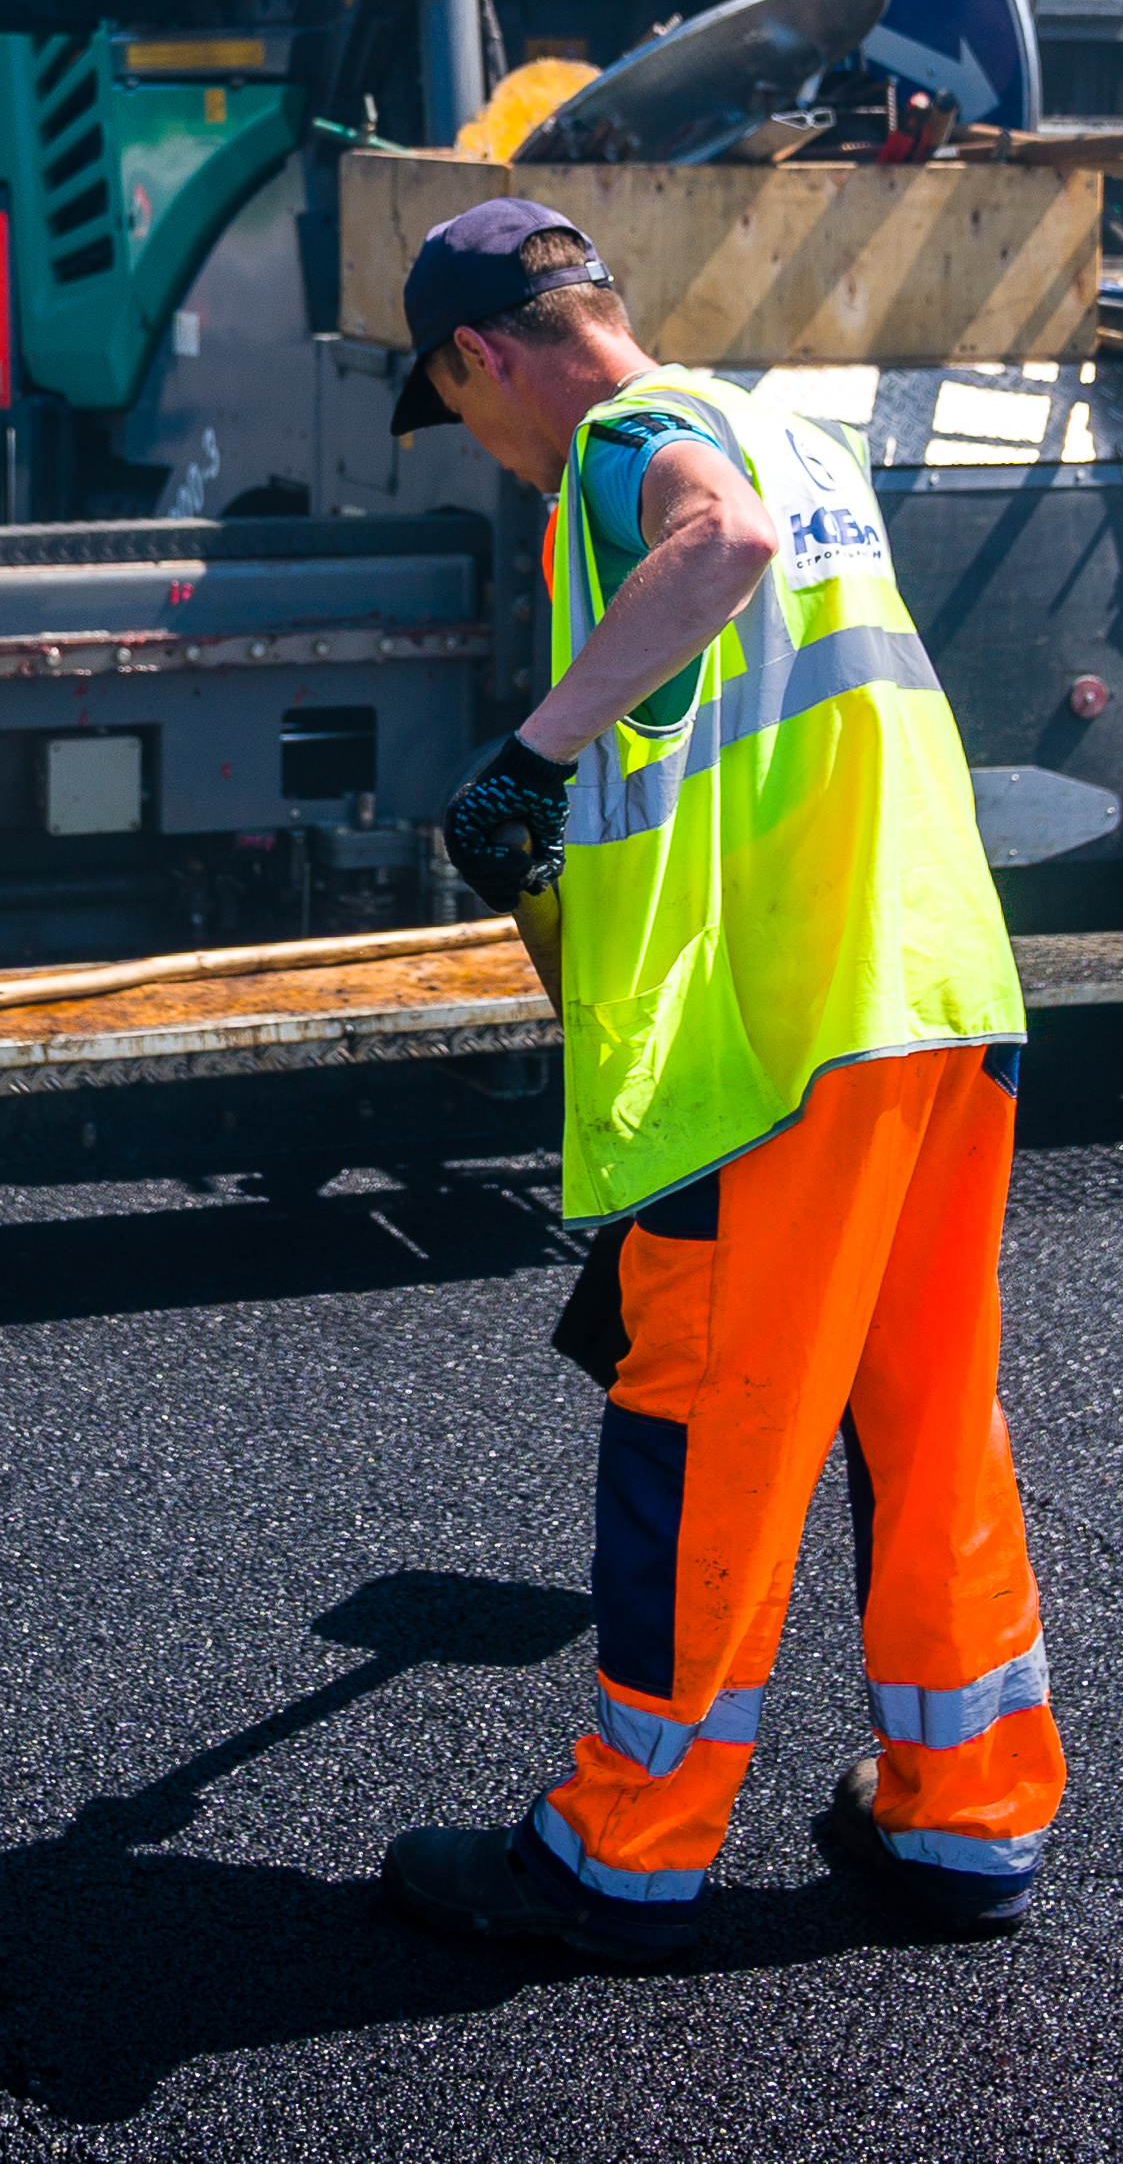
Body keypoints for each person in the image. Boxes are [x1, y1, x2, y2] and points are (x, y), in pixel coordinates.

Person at [375, 197, 1060, 1963]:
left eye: (458, 409)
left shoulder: (626, 444)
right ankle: (967, 1812)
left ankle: (626, 1844)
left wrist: (532, 757)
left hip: (778, 1038)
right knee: (928, 1426)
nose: (488, 450)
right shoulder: (804, 430)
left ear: (485, 355)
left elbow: (717, 543)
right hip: (936, 994)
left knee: (709, 1432)